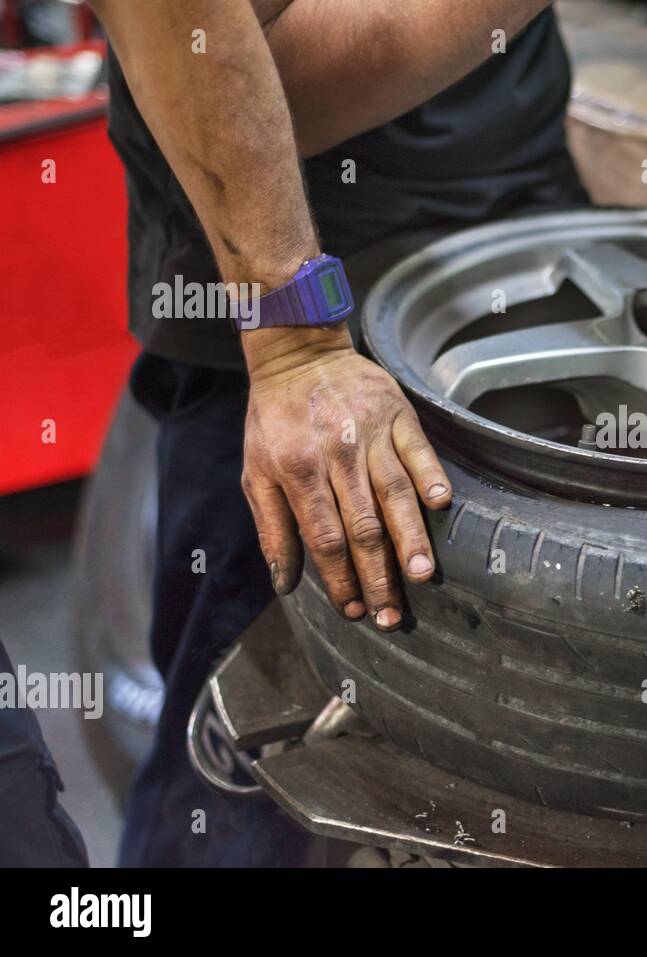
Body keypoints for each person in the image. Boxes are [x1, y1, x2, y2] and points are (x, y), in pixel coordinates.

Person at [0, 0, 585, 867]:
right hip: (306, 320)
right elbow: (241, 57)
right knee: (249, 785)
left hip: (513, 224)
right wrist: (294, 338)